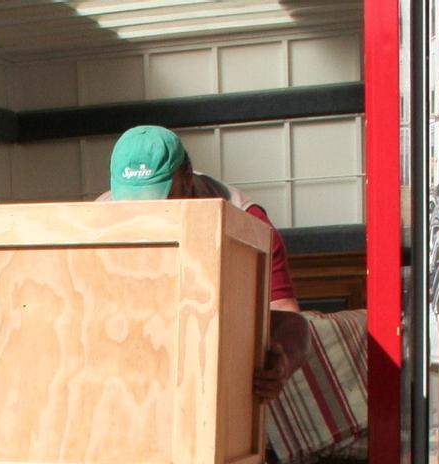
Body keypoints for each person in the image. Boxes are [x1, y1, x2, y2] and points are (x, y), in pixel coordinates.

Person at [105, 124, 312, 401]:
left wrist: (282, 362)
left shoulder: (247, 223)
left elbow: (286, 313)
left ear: (187, 178)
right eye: (132, 202)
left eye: (159, 199)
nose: (145, 214)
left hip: (214, 378)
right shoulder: (99, 218)